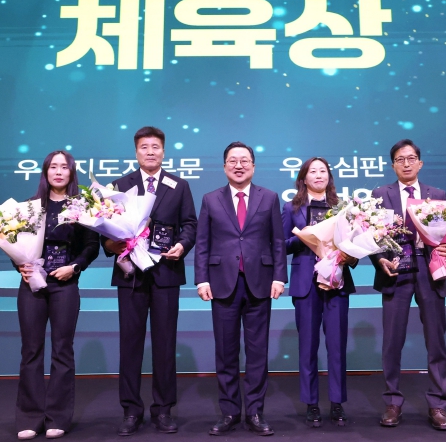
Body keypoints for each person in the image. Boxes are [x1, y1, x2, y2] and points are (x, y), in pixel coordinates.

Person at [101, 126, 197, 436]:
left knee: (165, 344)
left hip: (166, 273)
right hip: (131, 274)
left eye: (155, 147)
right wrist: (113, 244)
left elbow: (190, 224)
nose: (150, 152)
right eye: (144, 147)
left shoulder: (179, 185)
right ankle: (131, 410)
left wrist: (182, 245)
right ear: (136, 152)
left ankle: (163, 409)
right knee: (130, 344)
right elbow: (105, 231)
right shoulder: (120, 186)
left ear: (164, 151)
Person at [195, 142, 287, 436]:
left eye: (244, 160)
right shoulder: (210, 199)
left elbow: (277, 241)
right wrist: (201, 279)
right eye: (233, 161)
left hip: (260, 283)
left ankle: (256, 412)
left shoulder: (269, 197)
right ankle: (230, 412)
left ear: (253, 166)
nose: (239, 165)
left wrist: (279, 277)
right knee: (226, 352)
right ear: (224, 167)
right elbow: (202, 242)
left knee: (258, 352)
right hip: (222, 284)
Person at [370, 139, 446, 431]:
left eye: (411, 158)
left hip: (429, 268)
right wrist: (380, 260)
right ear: (392, 165)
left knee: (436, 339)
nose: (406, 163)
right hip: (396, 269)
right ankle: (392, 402)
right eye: (400, 159)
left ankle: (438, 404)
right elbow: (372, 236)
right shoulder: (380, 194)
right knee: (392, 340)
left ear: (420, 163)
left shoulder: (437, 195)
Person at [15, 151, 100, 440]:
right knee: (31, 350)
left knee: (62, 350)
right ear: (46, 172)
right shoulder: (30, 206)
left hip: (65, 284)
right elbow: (13, 243)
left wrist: (74, 267)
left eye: (65, 167)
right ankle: (30, 417)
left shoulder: (82, 206)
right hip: (32, 285)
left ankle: (58, 417)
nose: (59, 171)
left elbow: (91, 246)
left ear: (72, 172)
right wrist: (20, 266)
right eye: (54, 167)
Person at [281, 157, 358, 428]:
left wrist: (350, 256)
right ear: (303, 178)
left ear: (329, 176)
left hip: (337, 281)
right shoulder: (291, 207)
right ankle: (311, 403)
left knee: (337, 346)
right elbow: (281, 244)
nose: (318, 175)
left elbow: (354, 245)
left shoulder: (343, 207)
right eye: (312, 171)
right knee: (308, 346)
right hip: (306, 283)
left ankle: (337, 402)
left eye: (322, 171)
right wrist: (304, 237)